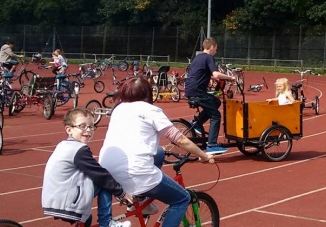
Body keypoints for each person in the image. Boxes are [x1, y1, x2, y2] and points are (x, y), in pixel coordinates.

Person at [99, 77, 214, 227]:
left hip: (107, 171)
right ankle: (142, 195)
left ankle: (139, 200)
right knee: (182, 199)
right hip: (137, 172)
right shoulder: (151, 110)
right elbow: (180, 139)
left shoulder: (118, 109)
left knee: (159, 152)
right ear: (148, 93)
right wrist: (203, 155)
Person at [42, 108, 133, 227]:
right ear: (69, 129)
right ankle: (107, 223)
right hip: (67, 202)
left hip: (54, 200)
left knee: (86, 219)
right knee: (104, 183)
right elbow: (99, 174)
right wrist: (121, 193)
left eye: (91, 126)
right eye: (82, 126)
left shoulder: (63, 145)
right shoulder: (79, 150)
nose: (88, 130)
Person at [184, 37, 235, 154]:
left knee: (216, 102)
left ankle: (196, 123)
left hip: (190, 90)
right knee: (216, 115)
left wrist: (211, 78)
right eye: (215, 49)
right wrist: (230, 77)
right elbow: (216, 73)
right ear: (211, 47)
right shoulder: (209, 57)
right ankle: (212, 145)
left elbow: (200, 73)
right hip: (198, 92)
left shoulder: (198, 57)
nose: (216, 52)